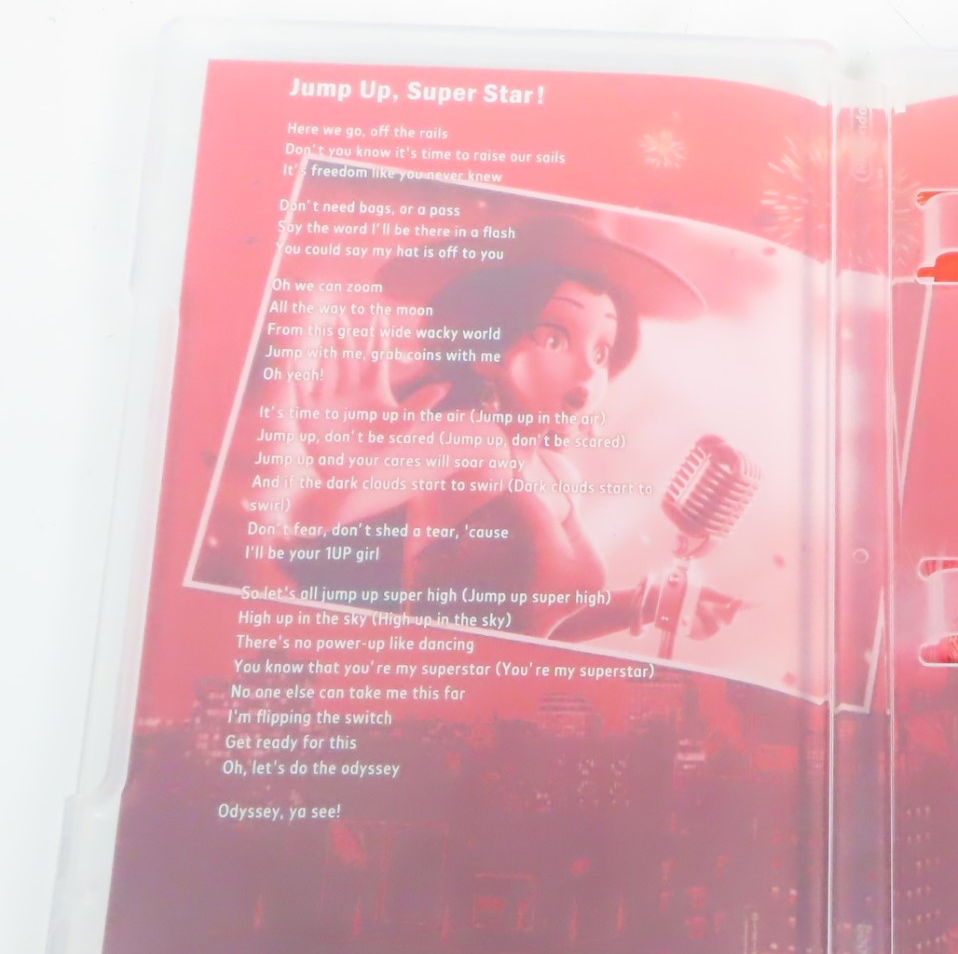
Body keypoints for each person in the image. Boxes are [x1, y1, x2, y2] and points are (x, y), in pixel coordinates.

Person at [214, 208, 740, 646]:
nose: (588, 369)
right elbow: (317, 521)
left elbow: (534, 626)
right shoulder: (469, 437)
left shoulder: (558, 475)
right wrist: (347, 473)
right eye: (554, 339)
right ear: (487, 352)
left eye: (601, 351)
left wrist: (648, 604)